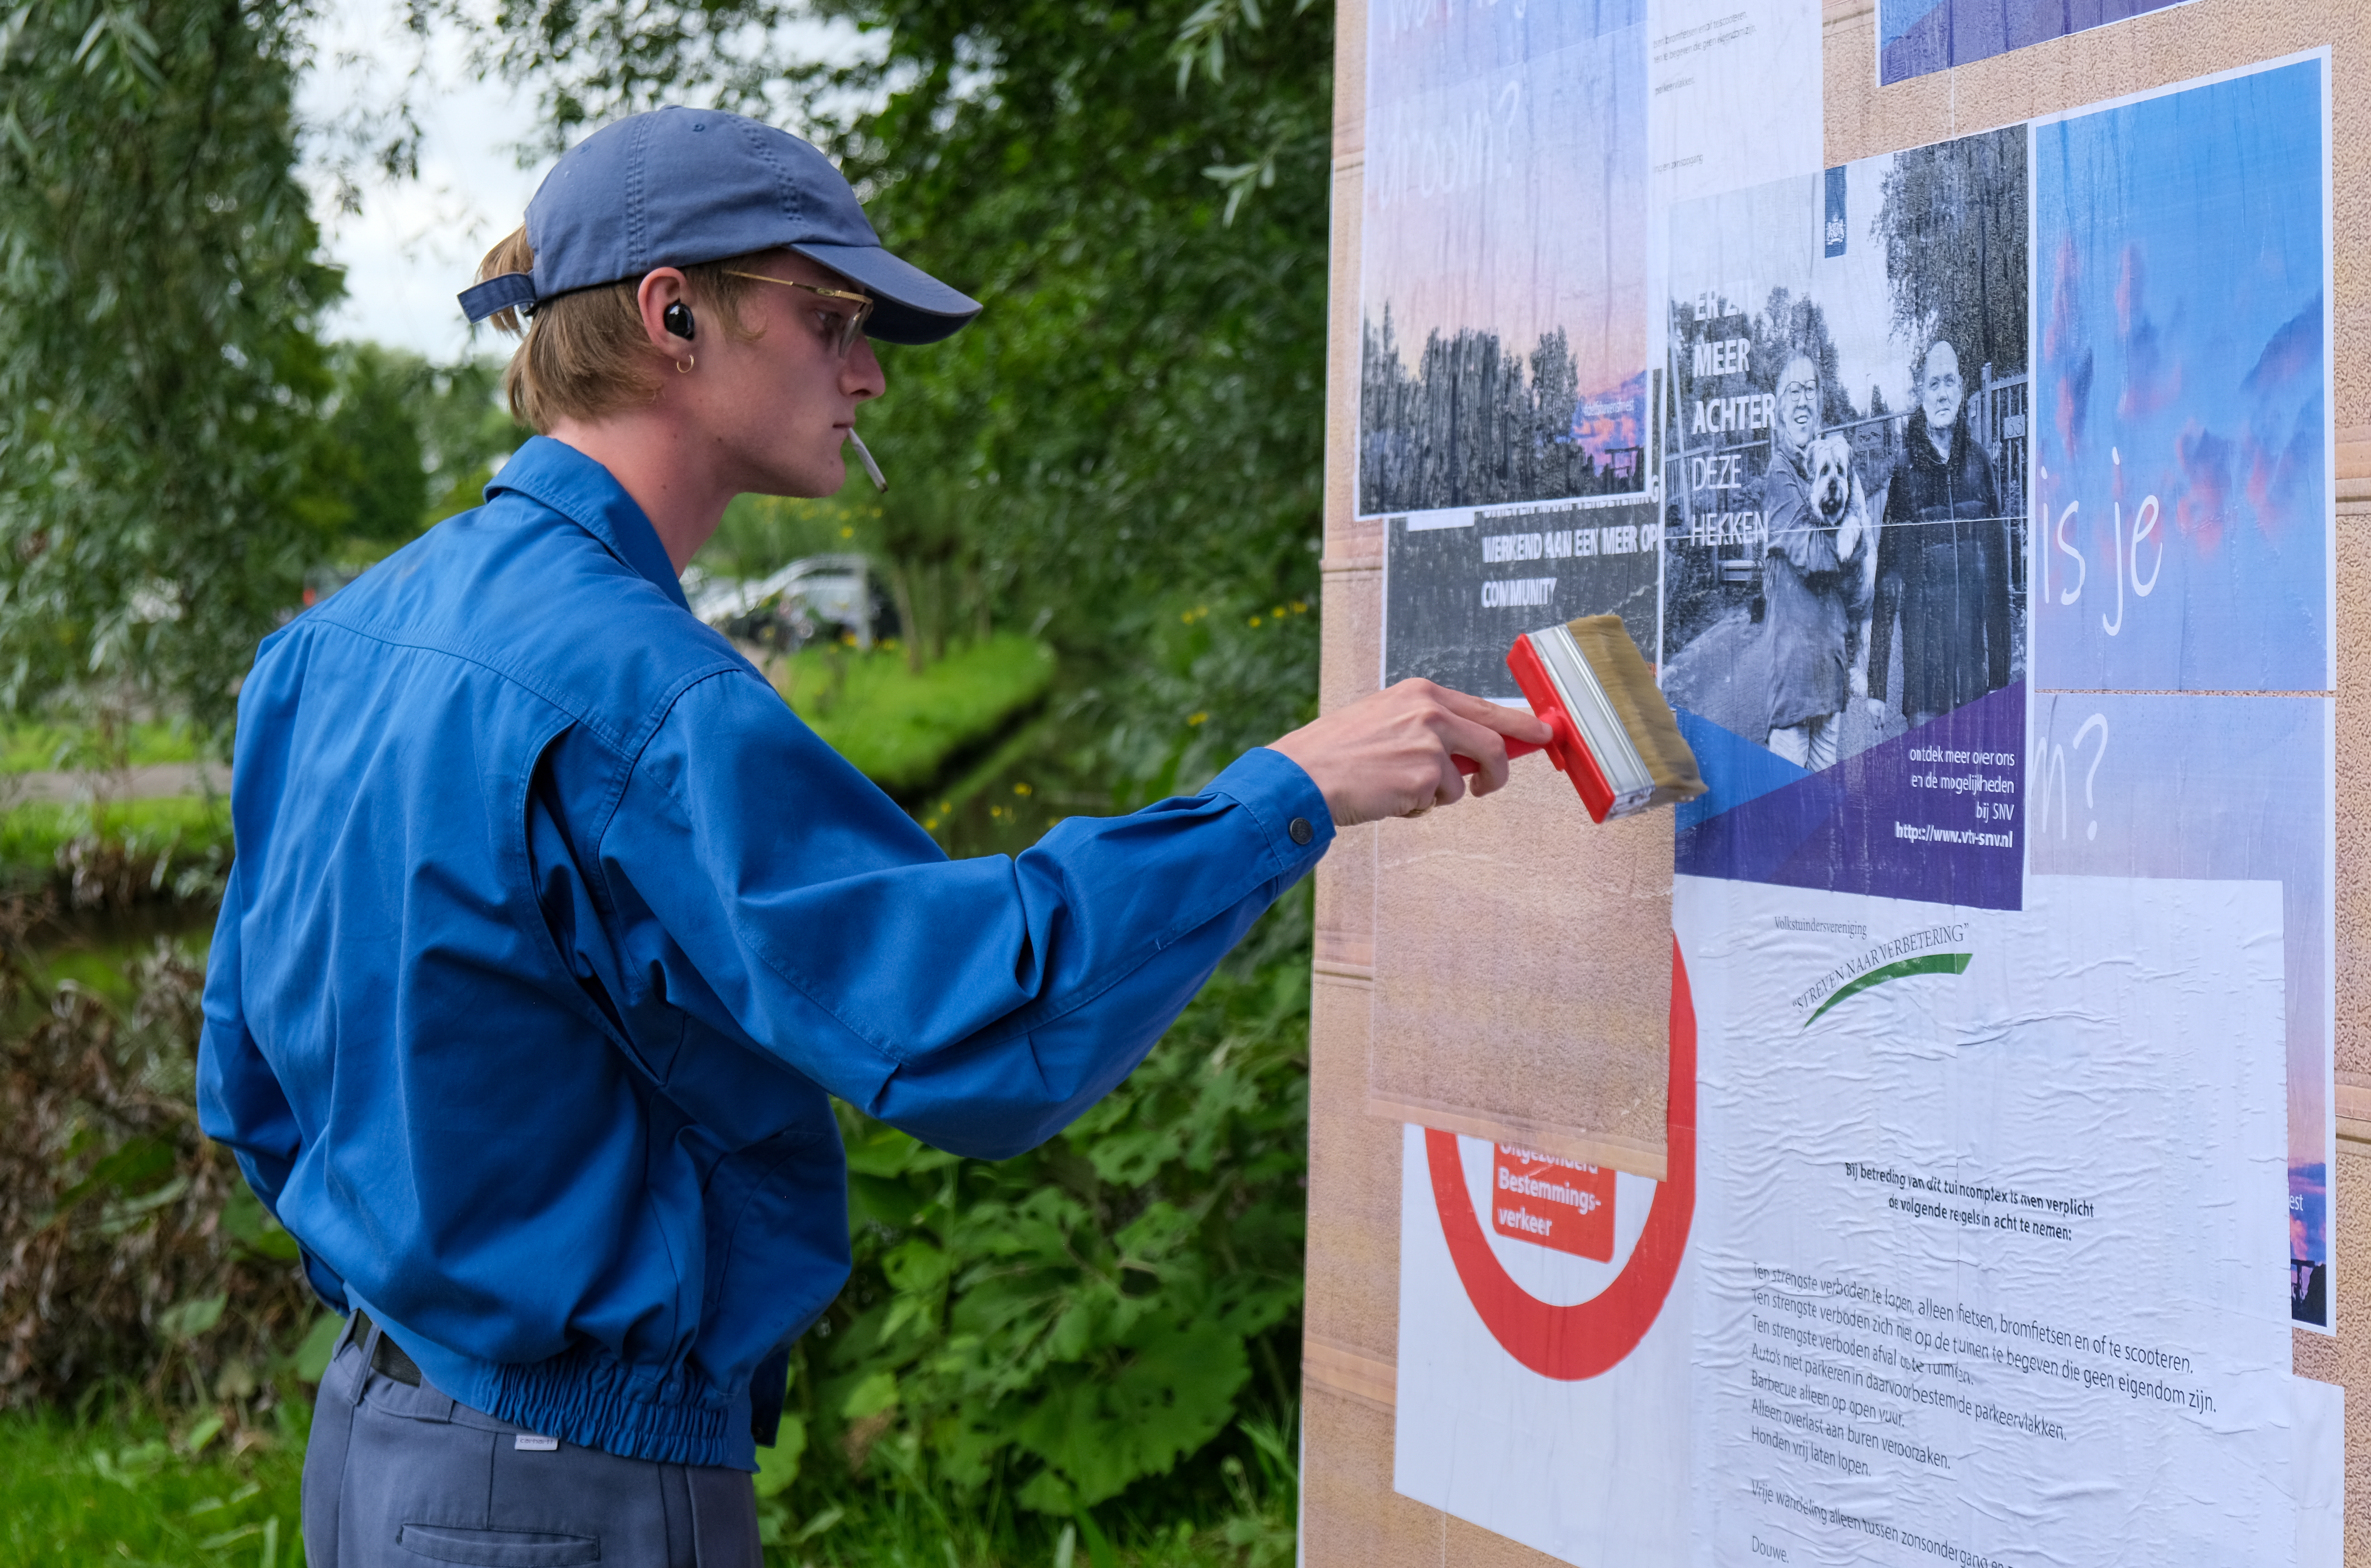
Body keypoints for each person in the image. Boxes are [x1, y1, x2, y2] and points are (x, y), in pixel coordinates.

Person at [194, 107, 1550, 1568]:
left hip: (372, 1444)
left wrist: (432, 1307)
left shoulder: (328, 647)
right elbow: (968, 1021)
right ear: (673, 315)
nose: (870, 373)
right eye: (831, 318)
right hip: (562, 1494)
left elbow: (251, 1085)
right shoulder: (646, 698)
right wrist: (1288, 791)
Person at [1865, 339, 2011, 724]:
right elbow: (1887, 579)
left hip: (1971, 675)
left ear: (1961, 389)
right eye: (1934, 384)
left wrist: (2000, 680)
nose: (1943, 393)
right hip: (1923, 684)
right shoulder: (1905, 472)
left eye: (1949, 382)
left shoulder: (1981, 465)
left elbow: (1998, 580)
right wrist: (1877, 687)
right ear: (1922, 394)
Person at [1755, 352, 1869, 769]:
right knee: (1786, 798)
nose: (1802, 401)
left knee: (1822, 796)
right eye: (1793, 391)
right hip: (1794, 676)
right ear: (1780, 407)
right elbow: (1815, 555)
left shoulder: (1830, 460)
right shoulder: (1780, 473)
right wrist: (1855, 536)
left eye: (1810, 390)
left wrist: (1856, 539)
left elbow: (1859, 586)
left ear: (1820, 401)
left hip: (1829, 671)